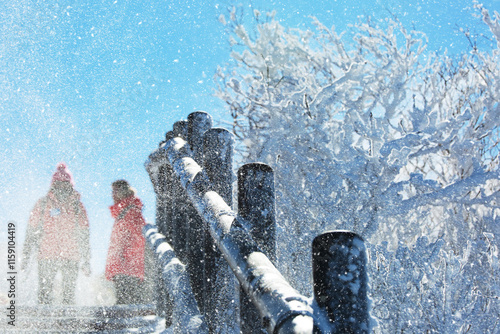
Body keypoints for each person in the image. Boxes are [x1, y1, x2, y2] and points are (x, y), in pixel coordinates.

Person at [21, 162, 91, 305]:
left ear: (70, 185)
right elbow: (31, 232)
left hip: (69, 255)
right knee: (45, 293)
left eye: (64, 183)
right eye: (59, 183)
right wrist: (26, 255)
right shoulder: (43, 204)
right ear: (54, 184)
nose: (62, 187)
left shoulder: (77, 206)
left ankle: (67, 323)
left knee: (68, 294)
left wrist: (86, 259)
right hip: (48, 254)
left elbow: (84, 235)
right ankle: (45, 321)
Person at [105, 180, 146, 304]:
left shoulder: (131, 211)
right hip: (123, 264)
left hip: (127, 264)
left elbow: (139, 236)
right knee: (125, 300)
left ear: (122, 192)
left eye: (115, 191)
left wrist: (126, 255)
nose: (112, 195)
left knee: (127, 301)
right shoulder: (124, 212)